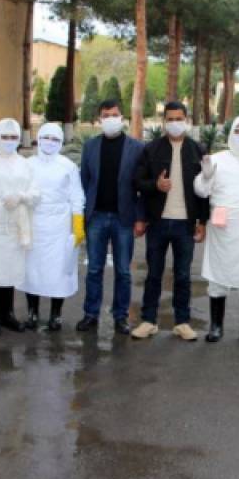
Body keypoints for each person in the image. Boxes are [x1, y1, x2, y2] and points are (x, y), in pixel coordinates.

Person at [132, 102, 209, 341]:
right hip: (158, 222)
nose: (175, 123)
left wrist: (202, 221)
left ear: (187, 120)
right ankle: (148, 320)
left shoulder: (198, 150)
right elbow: (138, 182)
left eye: (179, 118)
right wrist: (155, 185)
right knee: (154, 273)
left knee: (183, 275)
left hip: (185, 224)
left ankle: (182, 322)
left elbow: (205, 189)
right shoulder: (151, 149)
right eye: (170, 119)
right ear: (164, 121)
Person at [194, 116, 239, 346]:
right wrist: (205, 176)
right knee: (218, 278)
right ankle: (216, 326)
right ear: (231, 133)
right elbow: (201, 191)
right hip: (223, 227)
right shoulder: (217, 160)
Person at [77, 100, 145, 335]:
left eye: (114, 115)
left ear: (122, 117)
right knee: (94, 269)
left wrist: (140, 218)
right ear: (99, 119)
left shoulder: (136, 148)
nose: (110, 119)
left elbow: (141, 187)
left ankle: (120, 316)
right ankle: (91, 314)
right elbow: (84, 181)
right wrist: (83, 213)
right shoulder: (90, 146)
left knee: (123, 271)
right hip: (96, 217)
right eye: (106, 115)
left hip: (123, 218)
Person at [0, 118, 39, 336]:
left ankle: (7, 313)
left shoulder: (24, 163)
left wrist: (21, 196)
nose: (9, 141)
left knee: (10, 269)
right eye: (5, 136)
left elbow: (36, 192)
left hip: (15, 224)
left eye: (13, 137)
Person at [23, 123, 85, 331]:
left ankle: (55, 314)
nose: (50, 142)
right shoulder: (28, 164)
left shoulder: (68, 166)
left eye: (55, 139)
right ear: (38, 139)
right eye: (46, 138)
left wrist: (78, 223)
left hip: (60, 226)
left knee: (58, 272)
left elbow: (77, 196)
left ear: (61, 142)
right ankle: (32, 313)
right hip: (34, 223)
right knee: (32, 271)